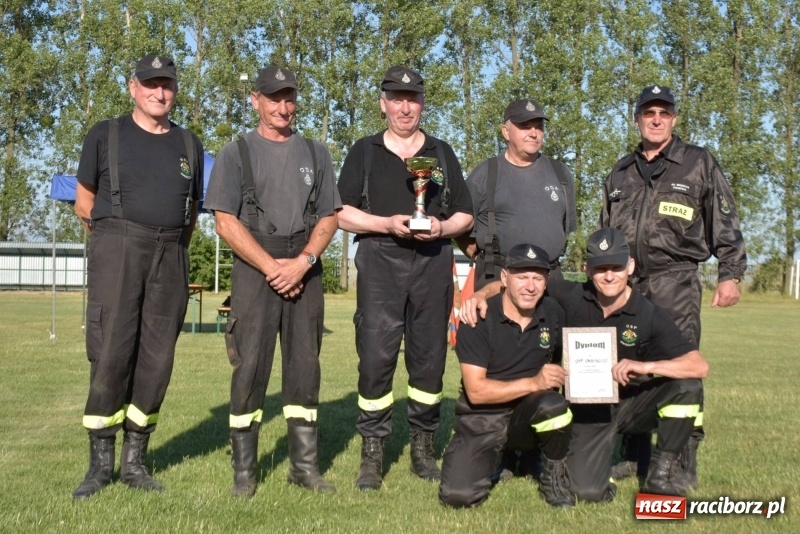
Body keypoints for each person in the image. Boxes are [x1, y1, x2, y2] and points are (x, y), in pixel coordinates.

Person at [460, 228, 710, 499]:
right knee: (586, 491)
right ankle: (591, 469)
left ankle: (660, 473)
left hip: (632, 405)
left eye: (616, 266)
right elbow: (523, 282)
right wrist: (481, 295)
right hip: (588, 409)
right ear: (587, 269)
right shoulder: (573, 295)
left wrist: (647, 367)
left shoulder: (647, 312)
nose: (610, 275)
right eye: (601, 268)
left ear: (630, 266)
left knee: (687, 386)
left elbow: (698, 366)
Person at [203, 65, 341, 497]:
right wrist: (272, 267)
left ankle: (304, 468)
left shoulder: (316, 153)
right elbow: (224, 223)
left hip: (305, 267)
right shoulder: (235, 153)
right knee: (250, 368)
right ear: (256, 100)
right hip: (254, 270)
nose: (283, 106)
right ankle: (244, 474)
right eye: (273, 97)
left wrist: (303, 262)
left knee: (305, 367)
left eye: (289, 97)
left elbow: (330, 216)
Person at [600, 85, 746, 487]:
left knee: (680, 368)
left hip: (675, 280)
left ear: (675, 119)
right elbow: (604, 232)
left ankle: (682, 462)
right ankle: (633, 456)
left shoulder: (697, 162)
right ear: (637, 119)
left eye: (665, 113)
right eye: (649, 113)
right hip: (626, 285)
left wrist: (730, 273)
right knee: (629, 366)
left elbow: (725, 218)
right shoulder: (620, 171)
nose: (657, 119)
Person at [72, 55, 204, 500]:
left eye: (166, 84)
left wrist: (164, 244)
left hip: (172, 252)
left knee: (156, 358)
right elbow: (84, 201)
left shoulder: (190, 144)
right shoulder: (105, 135)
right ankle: (99, 466)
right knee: (111, 351)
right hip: (118, 248)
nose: (159, 92)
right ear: (133, 87)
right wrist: (118, 239)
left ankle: (135, 463)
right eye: (150, 84)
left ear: (175, 90)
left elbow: (192, 216)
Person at [337, 66, 473, 491]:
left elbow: (466, 214)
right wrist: (385, 223)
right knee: (376, 359)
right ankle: (373, 453)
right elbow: (340, 212)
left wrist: (442, 228)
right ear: (383, 104)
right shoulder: (364, 151)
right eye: (396, 98)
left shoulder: (441, 152)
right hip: (380, 260)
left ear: (422, 104)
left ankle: (422, 448)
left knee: (429, 359)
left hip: (433, 261)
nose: (404, 106)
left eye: (412, 98)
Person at [438, 244, 574, 509]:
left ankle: (551, 473)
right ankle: (501, 457)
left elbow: (556, 362)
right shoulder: (478, 318)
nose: (530, 286)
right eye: (522, 276)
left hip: (528, 412)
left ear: (547, 282)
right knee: (458, 496)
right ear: (504, 278)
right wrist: (534, 383)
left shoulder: (554, 313)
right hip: (483, 417)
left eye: (537, 278)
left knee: (554, 406)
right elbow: (476, 391)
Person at [456, 98, 576, 289]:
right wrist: (481, 256)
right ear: (506, 131)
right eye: (525, 126)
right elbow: (459, 228)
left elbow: (565, 227)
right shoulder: (485, 174)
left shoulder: (561, 173)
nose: (533, 133)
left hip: (549, 278)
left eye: (538, 127)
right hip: (497, 279)